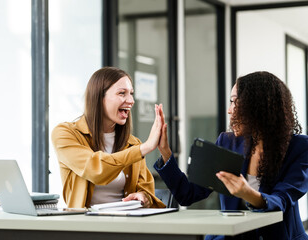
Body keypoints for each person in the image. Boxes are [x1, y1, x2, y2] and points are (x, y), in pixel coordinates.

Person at [154, 71, 308, 239]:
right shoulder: (227, 142)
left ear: (257, 106)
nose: (229, 110)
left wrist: (247, 193)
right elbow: (188, 194)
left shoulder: (299, 147)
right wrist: (165, 152)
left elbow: (282, 200)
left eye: (234, 102)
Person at [51, 66, 165, 208]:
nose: (131, 100)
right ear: (99, 97)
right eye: (122, 93)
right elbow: (96, 169)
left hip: (126, 225)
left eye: (131, 93)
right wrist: (146, 147)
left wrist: (143, 196)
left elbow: (146, 190)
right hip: (85, 225)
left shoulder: (133, 143)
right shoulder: (65, 133)